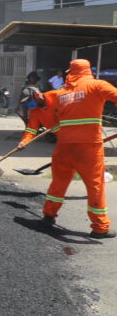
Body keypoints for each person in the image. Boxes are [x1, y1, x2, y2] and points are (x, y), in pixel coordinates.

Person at [28, 59, 117, 238]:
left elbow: (45, 101)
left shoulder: (62, 93)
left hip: (64, 146)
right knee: (95, 186)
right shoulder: (97, 85)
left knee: (59, 183)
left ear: (71, 72)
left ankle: (48, 216)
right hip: (88, 147)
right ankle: (100, 227)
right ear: (88, 70)